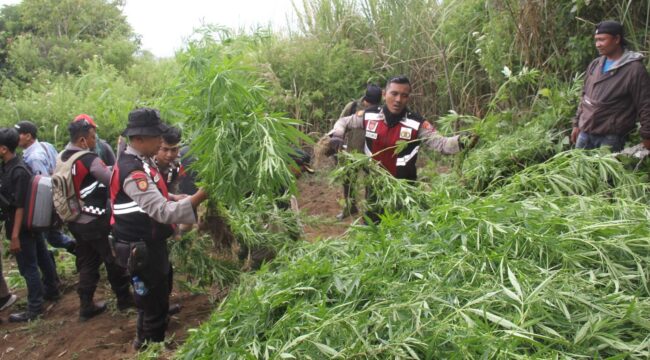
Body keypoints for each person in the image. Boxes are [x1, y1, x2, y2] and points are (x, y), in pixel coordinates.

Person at [109, 108, 208, 349]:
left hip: (147, 242)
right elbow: (161, 212)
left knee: (154, 294)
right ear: (139, 139)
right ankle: (152, 347)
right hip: (140, 246)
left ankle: (144, 340)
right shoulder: (133, 171)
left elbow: (152, 198)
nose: (160, 142)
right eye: (156, 137)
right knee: (151, 300)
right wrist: (199, 197)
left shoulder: (141, 163)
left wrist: (174, 197)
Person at [328, 76, 477, 222]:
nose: (398, 100)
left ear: (408, 98)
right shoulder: (369, 115)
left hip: (404, 189)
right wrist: (337, 135)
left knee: (402, 233)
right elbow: (343, 122)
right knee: (371, 230)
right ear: (384, 94)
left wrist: (462, 141)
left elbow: (442, 143)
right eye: (394, 93)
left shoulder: (417, 123)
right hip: (374, 186)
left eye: (404, 95)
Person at [60, 117, 134, 321]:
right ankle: (124, 298)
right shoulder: (89, 159)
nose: (95, 141)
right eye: (92, 137)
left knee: (87, 260)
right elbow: (112, 179)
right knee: (112, 258)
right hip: (95, 219)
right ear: (83, 140)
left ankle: (86, 305)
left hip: (74, 219)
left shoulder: (63, 157)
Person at [0, 128, 59, 322]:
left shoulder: (17, 171)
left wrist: (15, 235)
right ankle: (52, 290)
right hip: (29, 225)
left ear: (3, 149)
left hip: (21, 226)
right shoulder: (12, 166)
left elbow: (19, 206)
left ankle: (35, 308)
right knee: (42, 256)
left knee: (28, 267)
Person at [570, 20, 650, 152]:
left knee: (604, 173)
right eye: (596, 40)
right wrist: (576, 124)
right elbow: (585, 96)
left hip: (610, 137)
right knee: (578, 172)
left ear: (617, 39)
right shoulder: (595, 64)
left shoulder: (634, 69)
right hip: (585, 133)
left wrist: (647, 136)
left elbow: (645, 105)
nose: (598, 44)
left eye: (602, 40)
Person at [14, 120, 76, 255]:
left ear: (28, 136)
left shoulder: (33, 158)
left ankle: (81, 251)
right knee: (51, 235)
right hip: (61, 194)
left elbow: (42, 184)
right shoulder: (45, 145)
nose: (15, 137)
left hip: (47, 201)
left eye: (18, 134)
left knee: (51, 236)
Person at [335, 84, 382, 220]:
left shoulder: (382, 111)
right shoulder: (353, 107)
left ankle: (370, 212)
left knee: (370, 183)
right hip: (351, 152)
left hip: (370, 154)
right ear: (365, 100)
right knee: (348, 182)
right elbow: (341, 123)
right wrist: (338, 144)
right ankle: (350, 208)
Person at [154, 126, 185, 194]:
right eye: (165, 149)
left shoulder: (176, 164)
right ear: (156, 146)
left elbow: (174, 188)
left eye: (174, 150)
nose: (169, 155)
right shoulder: (145, 165)